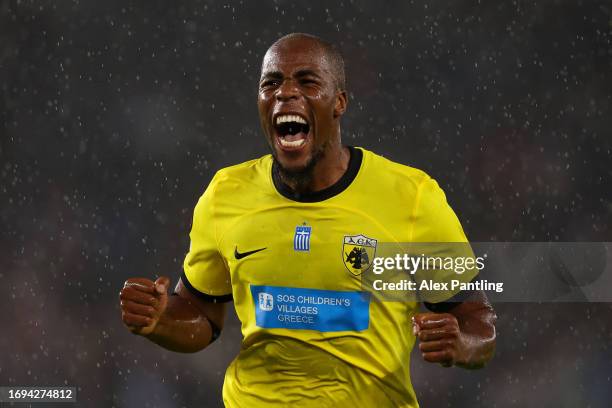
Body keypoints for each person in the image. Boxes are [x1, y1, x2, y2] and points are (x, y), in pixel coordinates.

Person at [119, 33, 497, 407]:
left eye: (306, 80)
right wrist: (161, 318)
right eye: (272, 83)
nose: (285, 92)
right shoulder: (226, 194)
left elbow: (478, 321)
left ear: (339, 102)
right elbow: (202, 315)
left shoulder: (411, 197)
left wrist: (462, 345)